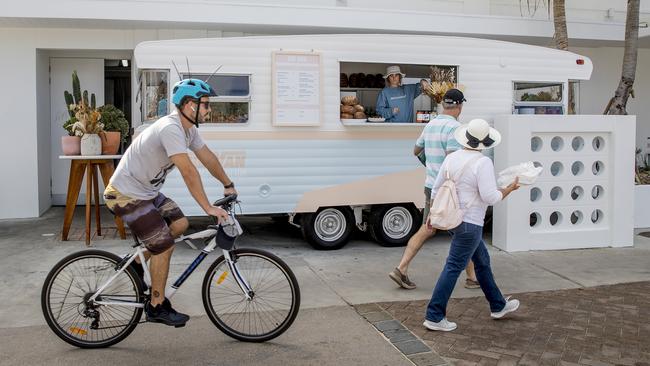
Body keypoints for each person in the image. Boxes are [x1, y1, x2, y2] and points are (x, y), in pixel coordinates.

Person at [104, 78, 237, 327]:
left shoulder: (188, 130)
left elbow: (207, 158)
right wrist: (208, 207)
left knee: (180, 224)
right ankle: (156, 307)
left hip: (146, 192)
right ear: (189, 105)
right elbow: (188, 170)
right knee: (164, 246)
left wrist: (228, 184)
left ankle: (135, 262)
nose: (209, 110)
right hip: (124, 194)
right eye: (205, 104)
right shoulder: (170, 128)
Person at [422, 118, 521, 332]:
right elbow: (491, 197)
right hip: (470, 223)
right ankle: (434, 315)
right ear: (485, 142)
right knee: (453, 267)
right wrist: (509, 189)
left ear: (466, 138)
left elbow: (436, 188)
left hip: (453, 220)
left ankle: (498, 305)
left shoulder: (452, 158)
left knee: (482, 261)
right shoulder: (482, 162)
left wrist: (432, 213)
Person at [389, 89, 480, 290]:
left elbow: (416, 150)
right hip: (449, 191)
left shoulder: (431, 124)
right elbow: (453, 161)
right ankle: (472, 277)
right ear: (460, 106)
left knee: (435, 229)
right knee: (463, 231)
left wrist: (429, 164)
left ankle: (402, 269)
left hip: (431, 186)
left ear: (443, 105)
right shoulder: (456, 128)